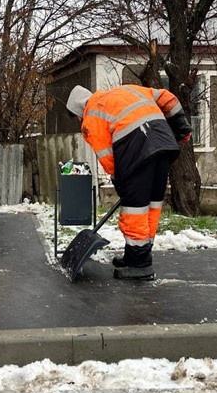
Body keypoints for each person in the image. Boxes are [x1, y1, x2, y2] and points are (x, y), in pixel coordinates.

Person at [66, 83, 192, 280]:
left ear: (79, 110)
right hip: (165, 146)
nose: (79, 120)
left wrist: (119, 180)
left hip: (137, 153)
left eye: (76, 117)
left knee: (135, 209)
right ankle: (137, 256)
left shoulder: (92, 115)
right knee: (151, 205)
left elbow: (107, 156)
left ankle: (140, 266)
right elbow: (169, 98)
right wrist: (181, 129)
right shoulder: (127, 90)